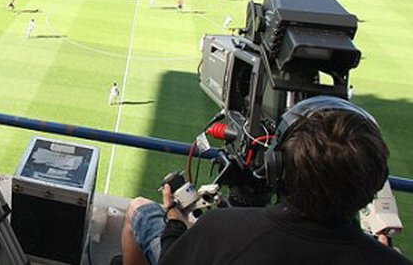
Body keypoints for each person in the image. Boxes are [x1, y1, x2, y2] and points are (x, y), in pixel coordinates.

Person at [118, 96, 412, 265]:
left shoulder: (223, 231)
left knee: (141, 210)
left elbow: (172, 259)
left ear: (276, 166)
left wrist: (173, 218)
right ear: (375, 183)